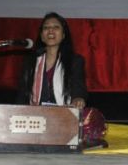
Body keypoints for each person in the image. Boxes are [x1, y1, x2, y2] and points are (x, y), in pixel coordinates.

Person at [15, 12, 106, 147]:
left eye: (56, 27)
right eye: (46, 28)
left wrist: (78, 98)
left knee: (91, 119)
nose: (50, 30)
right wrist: (17, 113)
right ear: (41, 35)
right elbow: (23, 92)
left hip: (64, 115)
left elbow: (78, 86)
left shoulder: (75, 60)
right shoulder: (31, 61)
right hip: (36, 115)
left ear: (63, 35)